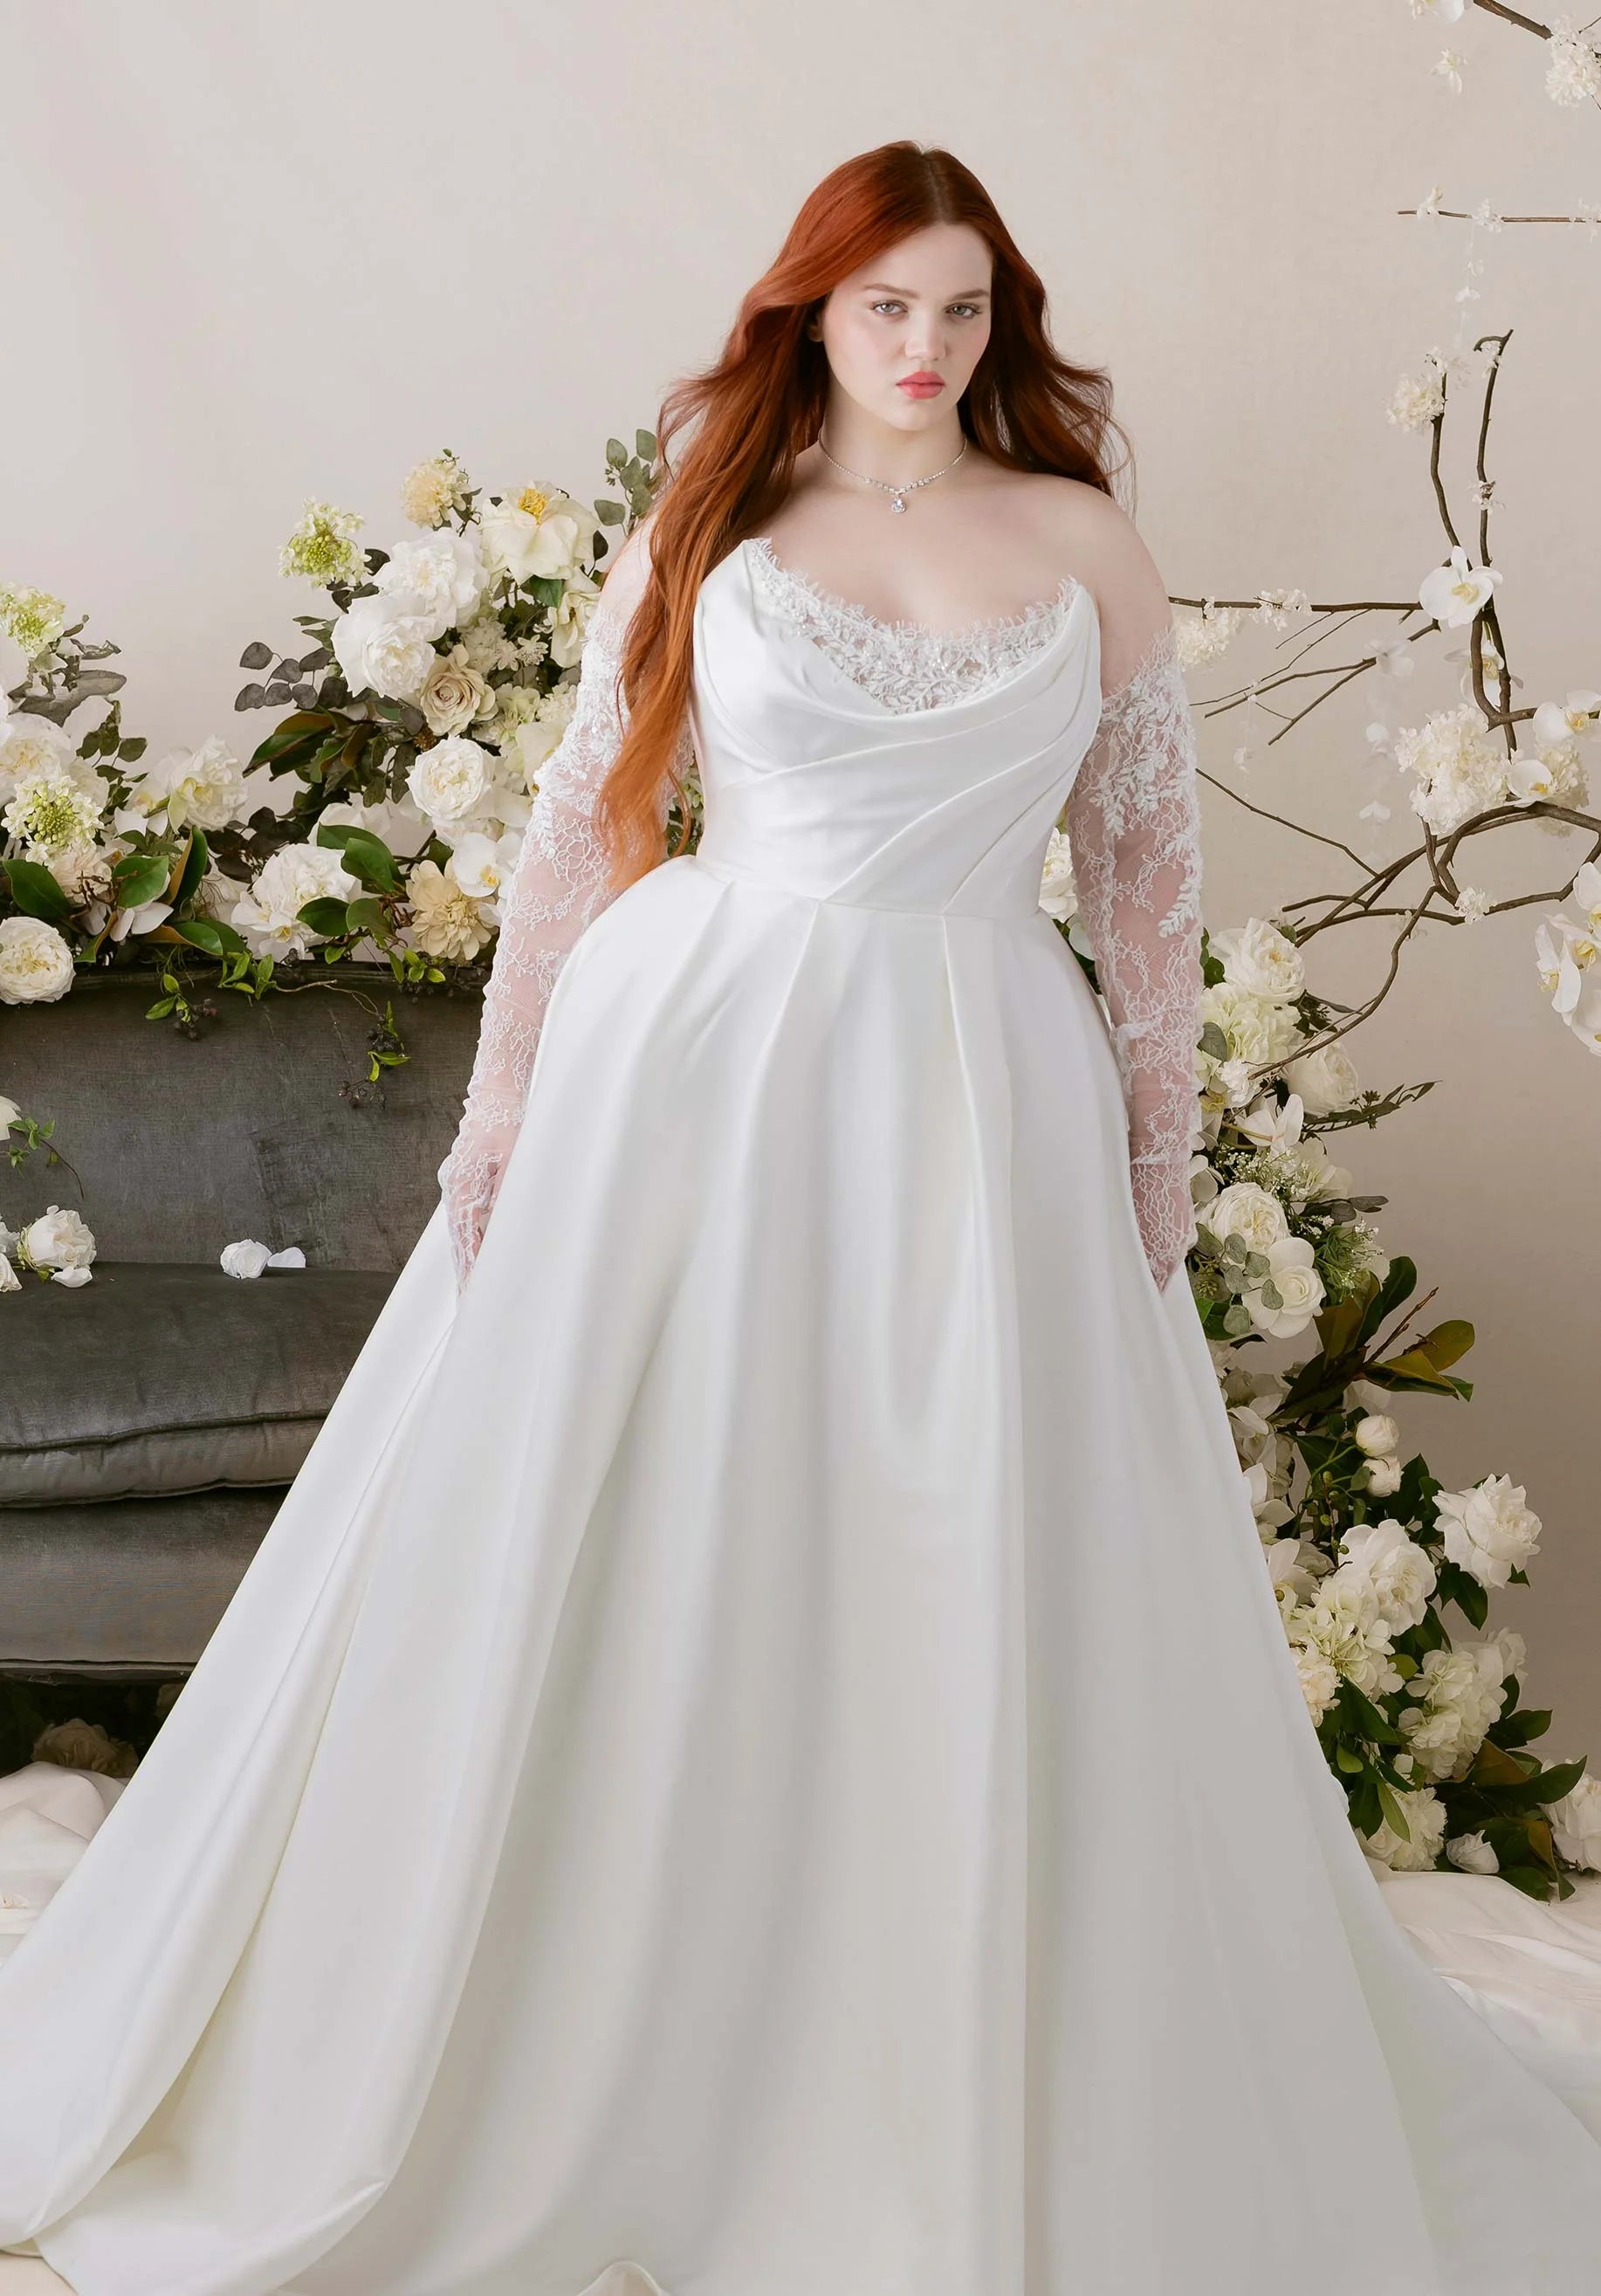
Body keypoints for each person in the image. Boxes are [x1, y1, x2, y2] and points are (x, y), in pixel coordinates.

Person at [3, 137, 1600, 2296]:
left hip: (975, 1088)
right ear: (812, 314)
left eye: (959, 309)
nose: (925, 348)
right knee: (658, 1520)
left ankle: (921, 2046)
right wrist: (499, 1116)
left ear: (997, 318)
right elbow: (580, 829)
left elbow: (1143, 894)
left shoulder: (1085, 544)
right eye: (884, 309)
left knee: (942, 1535)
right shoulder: (718, 517)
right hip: (696, 1063)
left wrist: (1147, 1170)